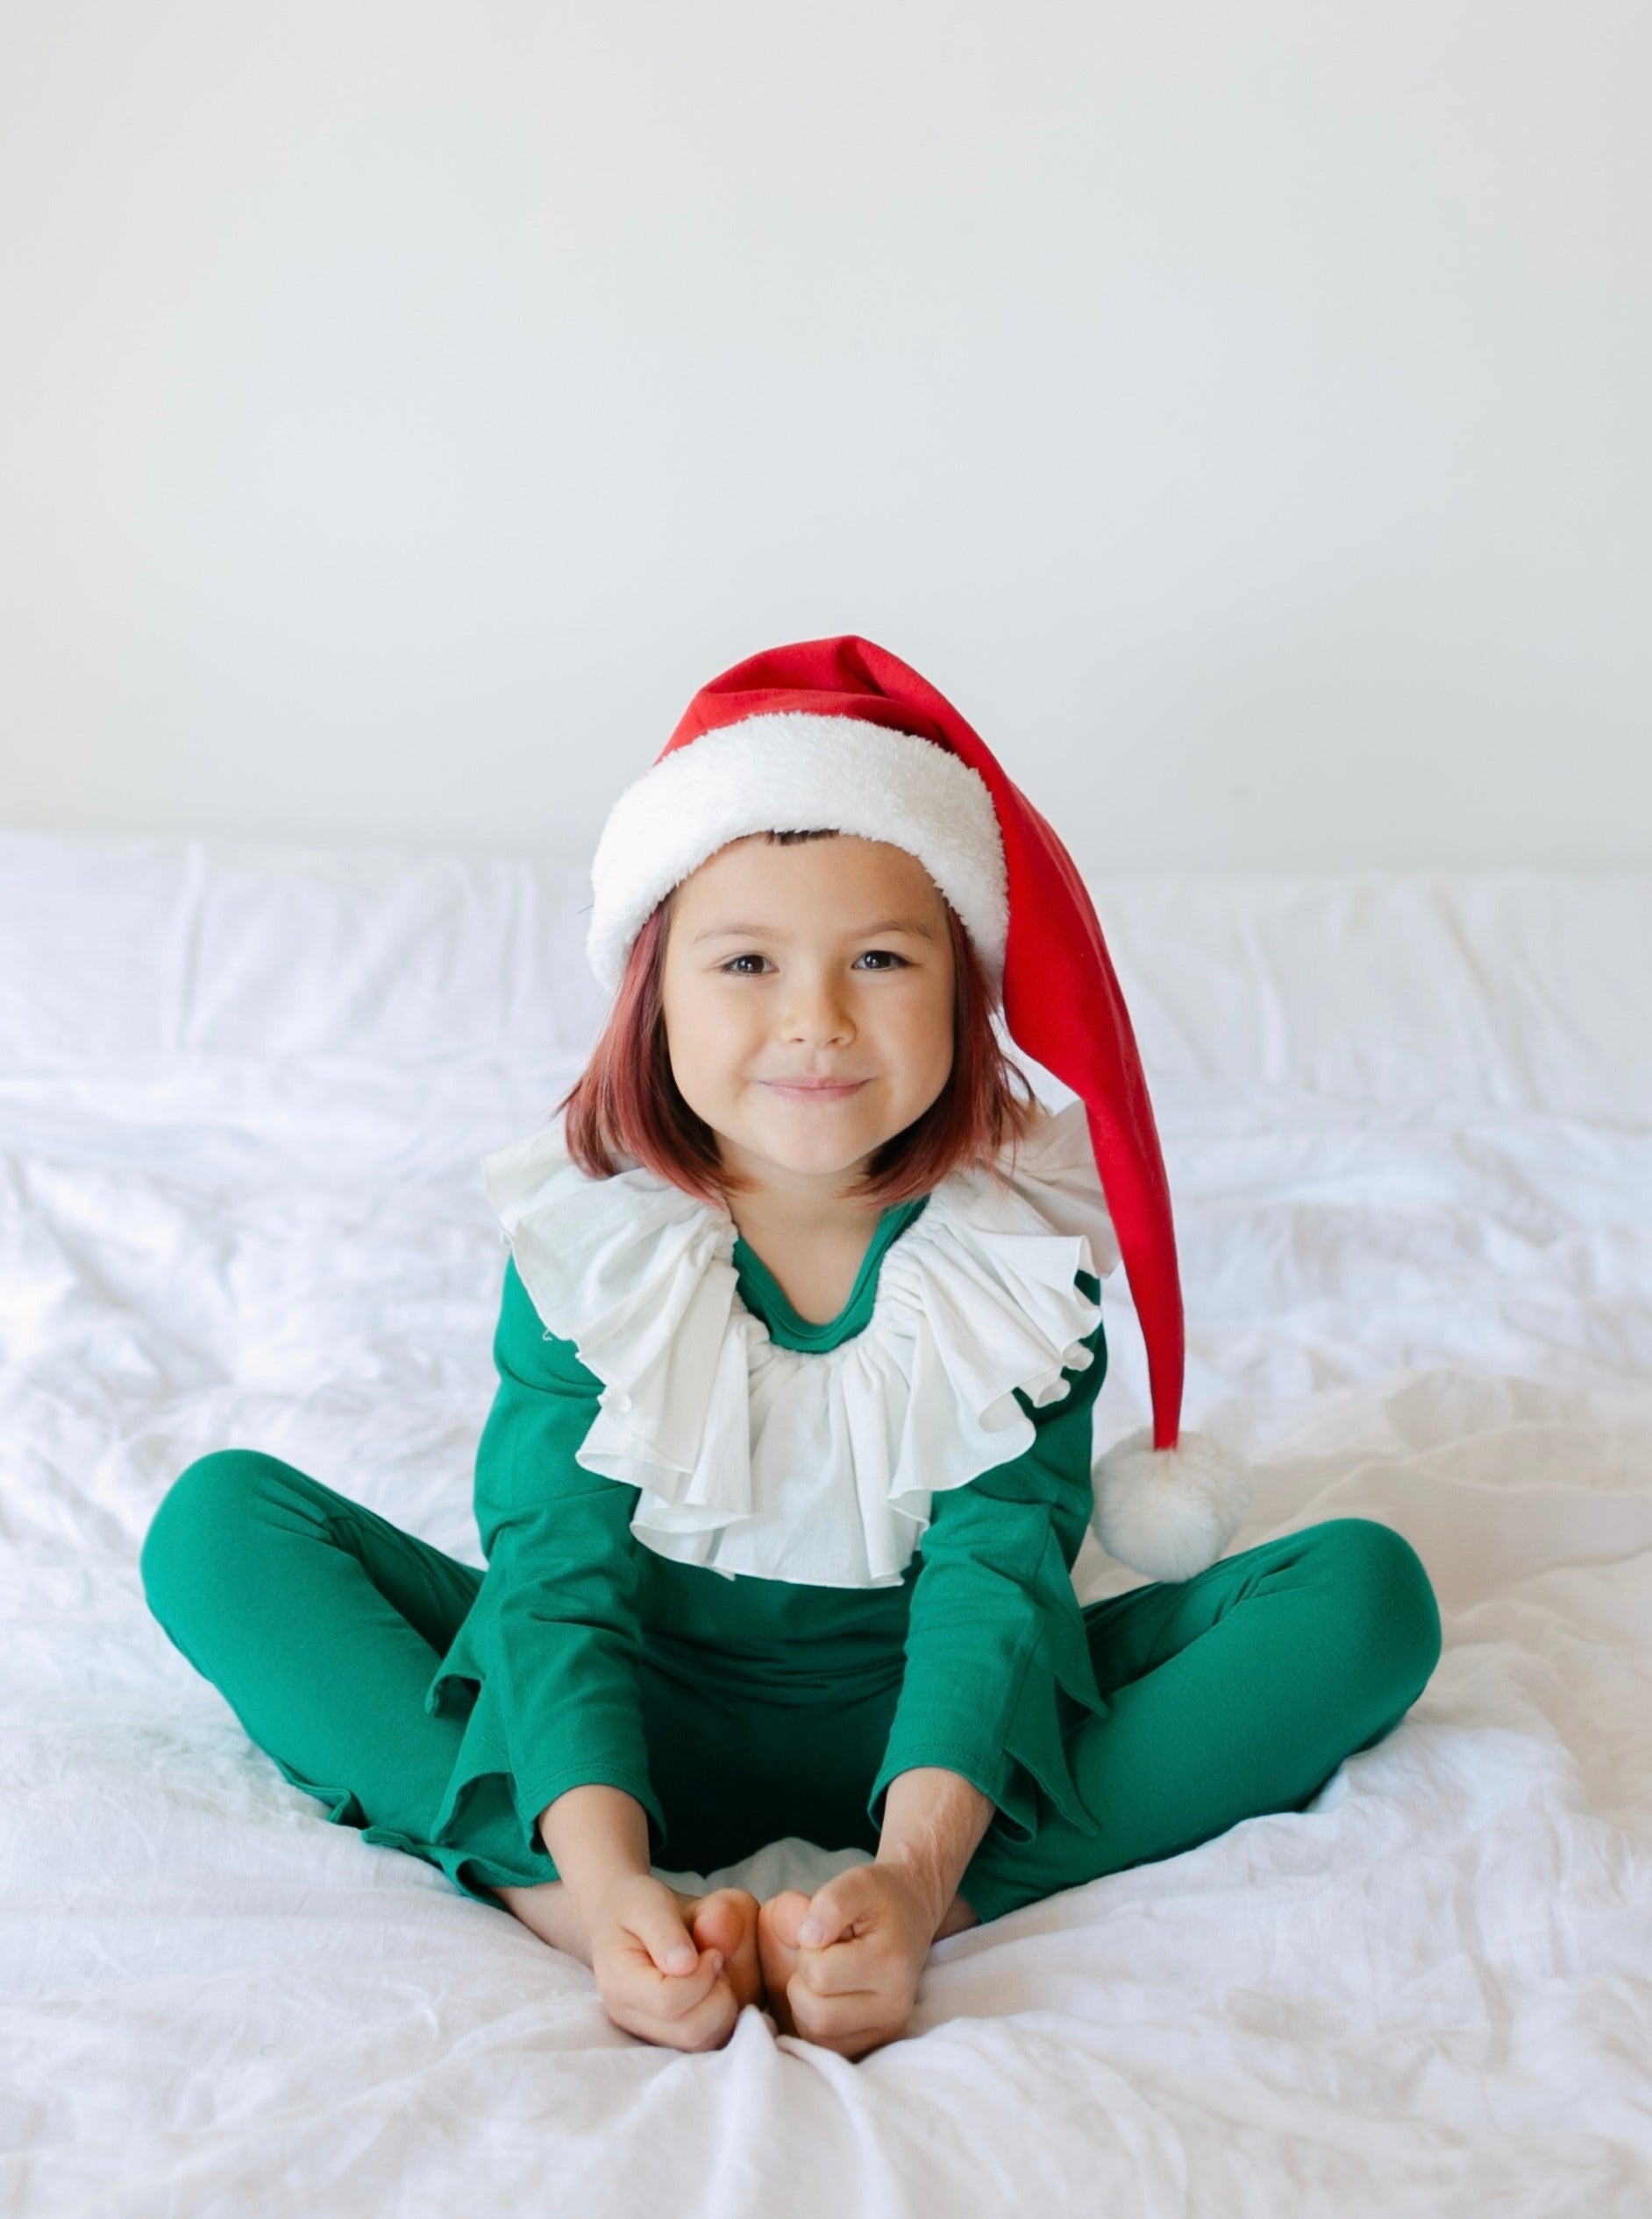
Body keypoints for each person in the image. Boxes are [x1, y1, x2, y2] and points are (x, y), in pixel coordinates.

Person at [139, 634, 1442, 2060]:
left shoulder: (1013, 1248)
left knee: (1363, 1597)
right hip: (629, 1709)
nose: (815, 1021)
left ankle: (911, 1911)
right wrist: (607, 1887)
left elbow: (996, 1580)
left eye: (880, 959)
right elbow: (557, 1581)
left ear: (963, 992)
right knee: (220, 1526)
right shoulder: (595, 1242)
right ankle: (555, 1896)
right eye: (748, 961)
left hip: (950, 1727)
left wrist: (916, 1876)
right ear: (657, 993)